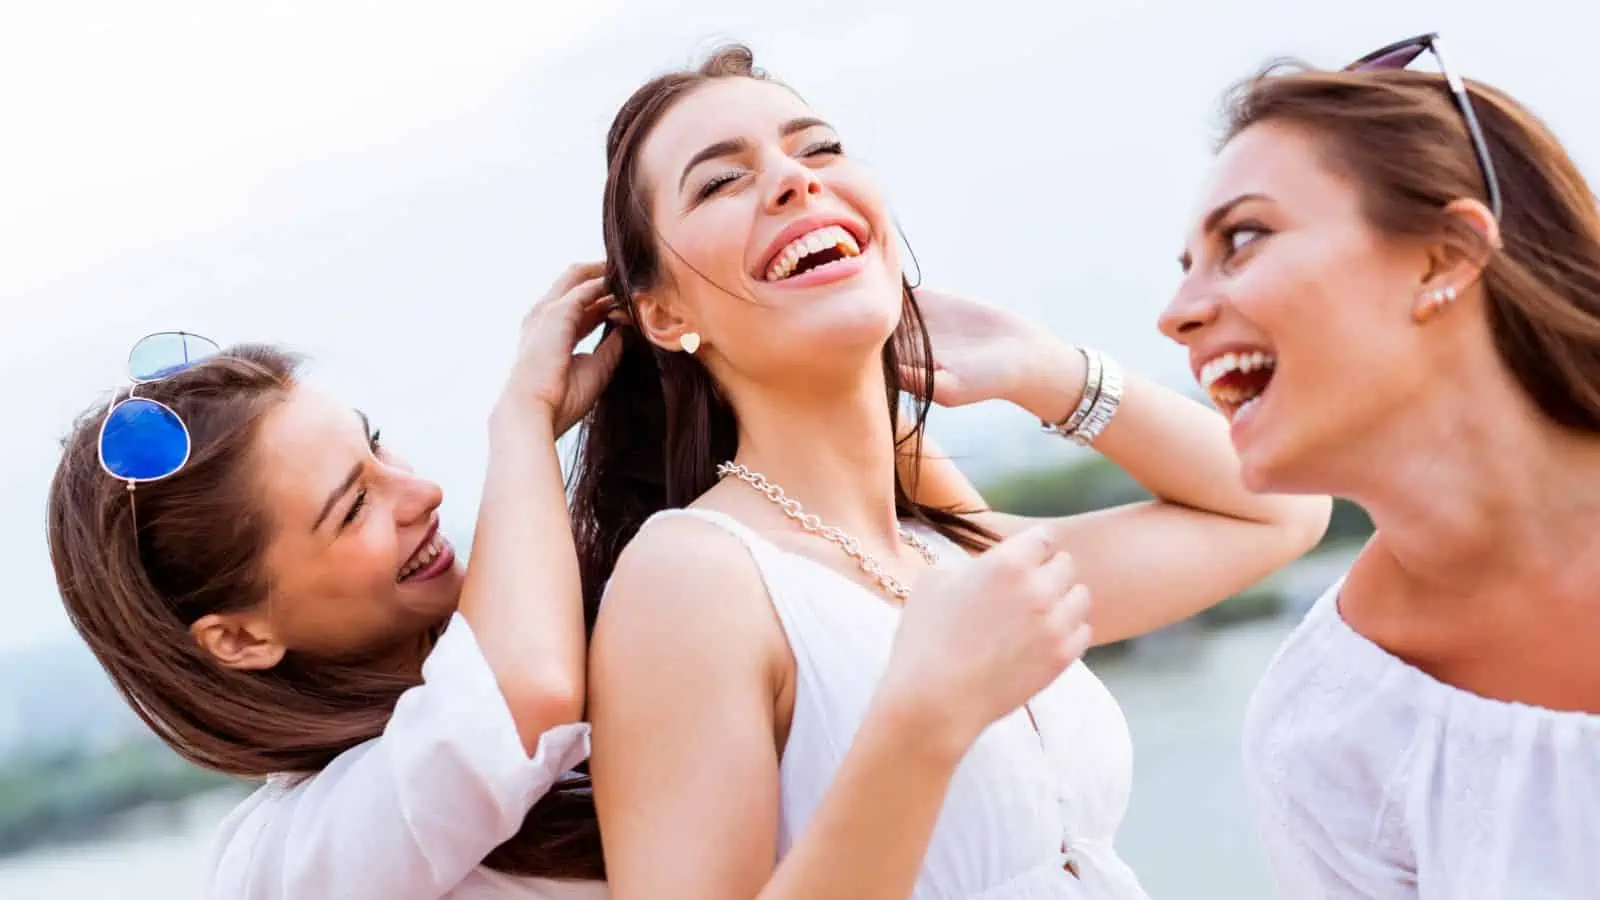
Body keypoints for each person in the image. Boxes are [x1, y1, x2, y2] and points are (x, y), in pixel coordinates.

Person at [575, 45, 1332, 900]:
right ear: (665, 312)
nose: (794, 180)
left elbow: (1283, 507)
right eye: (720, 181)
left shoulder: (947, 553)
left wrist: (1047, 371)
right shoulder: (693, 576)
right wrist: (924, 717)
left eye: (817, 147)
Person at [1160, 34, 1600, 898]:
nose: (1177, 315)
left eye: (1242, 239)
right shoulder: (1324, 733)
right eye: (1186, 269)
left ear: (1446, 254)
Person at [47, 266, 624, 899]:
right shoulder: (279, 866)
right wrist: (524, 418)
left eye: (376, 447)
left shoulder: (596, 630)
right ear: (239, 637)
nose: (424, 493)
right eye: (353, 508)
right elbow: (524, 694)